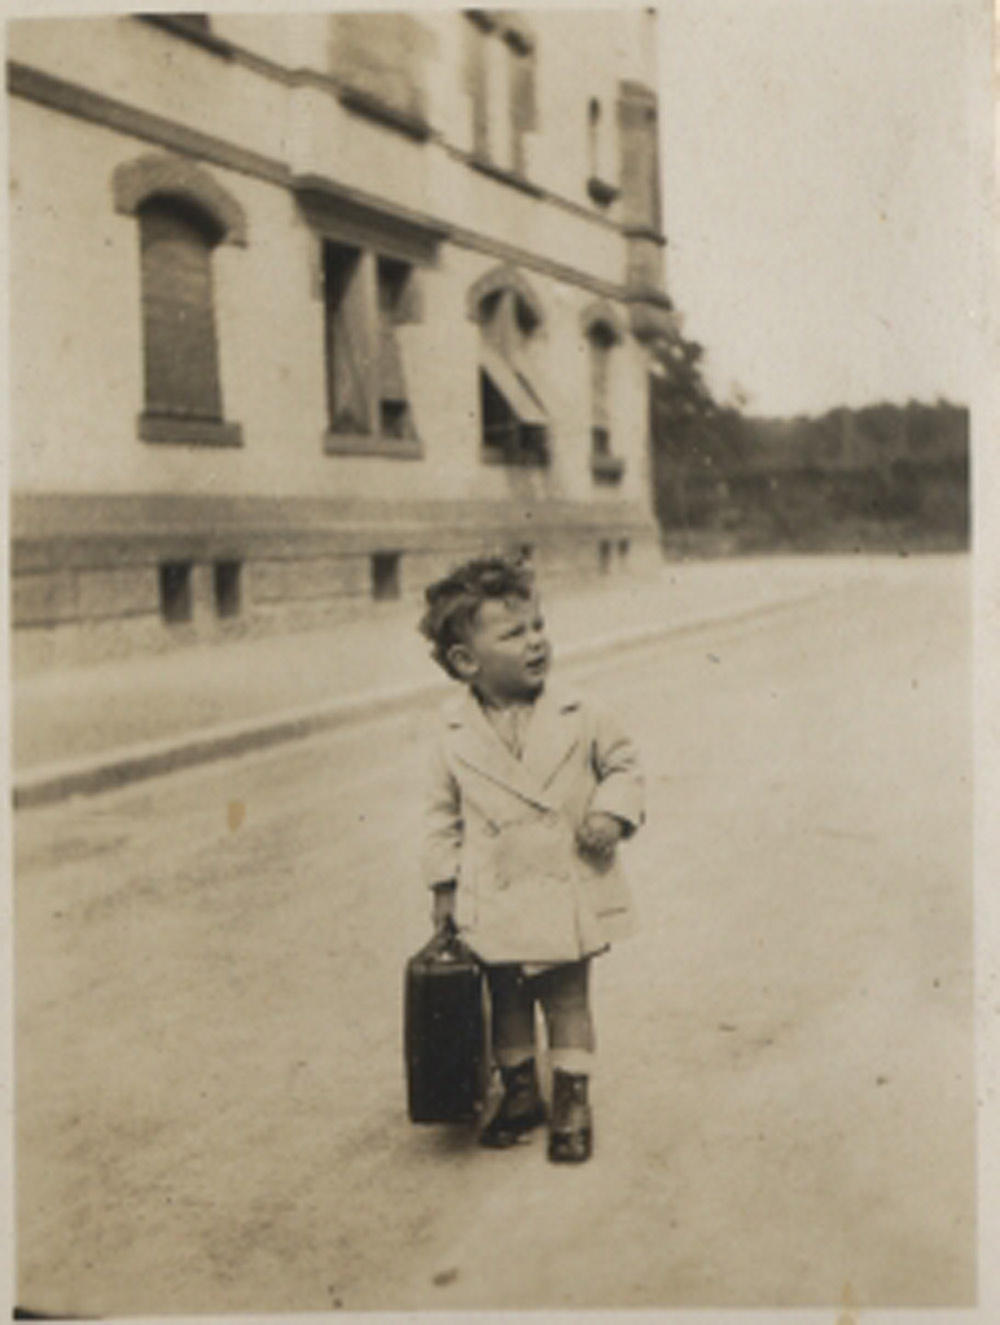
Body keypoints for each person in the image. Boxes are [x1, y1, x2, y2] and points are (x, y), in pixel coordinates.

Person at [418, 554, 644, 1163]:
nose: (536, 641)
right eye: (514, 633)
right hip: (494, 892)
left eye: (539, 625)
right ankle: (521, 1091)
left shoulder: (582, 711)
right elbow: (440, 816)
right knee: (507, 1003)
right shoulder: (452, 732)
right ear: (467, 662)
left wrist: (610, 814)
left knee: (567, 1000)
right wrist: (443, 887)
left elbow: (624, 766)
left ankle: (573, 1097)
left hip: (565, 882)